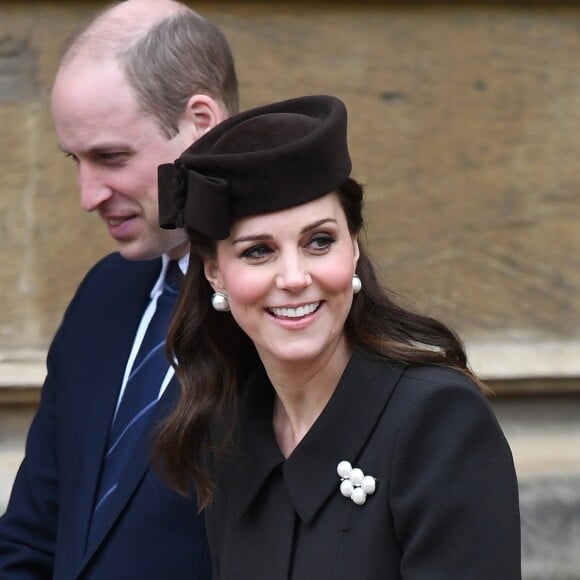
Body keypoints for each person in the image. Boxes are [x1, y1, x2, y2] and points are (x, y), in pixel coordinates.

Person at [155, 95, 522, 579]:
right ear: (215, 275)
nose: (293, 277)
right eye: (258, 251)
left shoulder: (437, 423)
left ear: (352, 248)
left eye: (318, 242)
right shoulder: (229, 433)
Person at [0, 1, 238, 578]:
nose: (88, 195)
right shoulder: (104, 293)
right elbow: (31, 538)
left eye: (111, 157)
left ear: (200, 125)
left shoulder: (290, 311)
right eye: (75, 160)